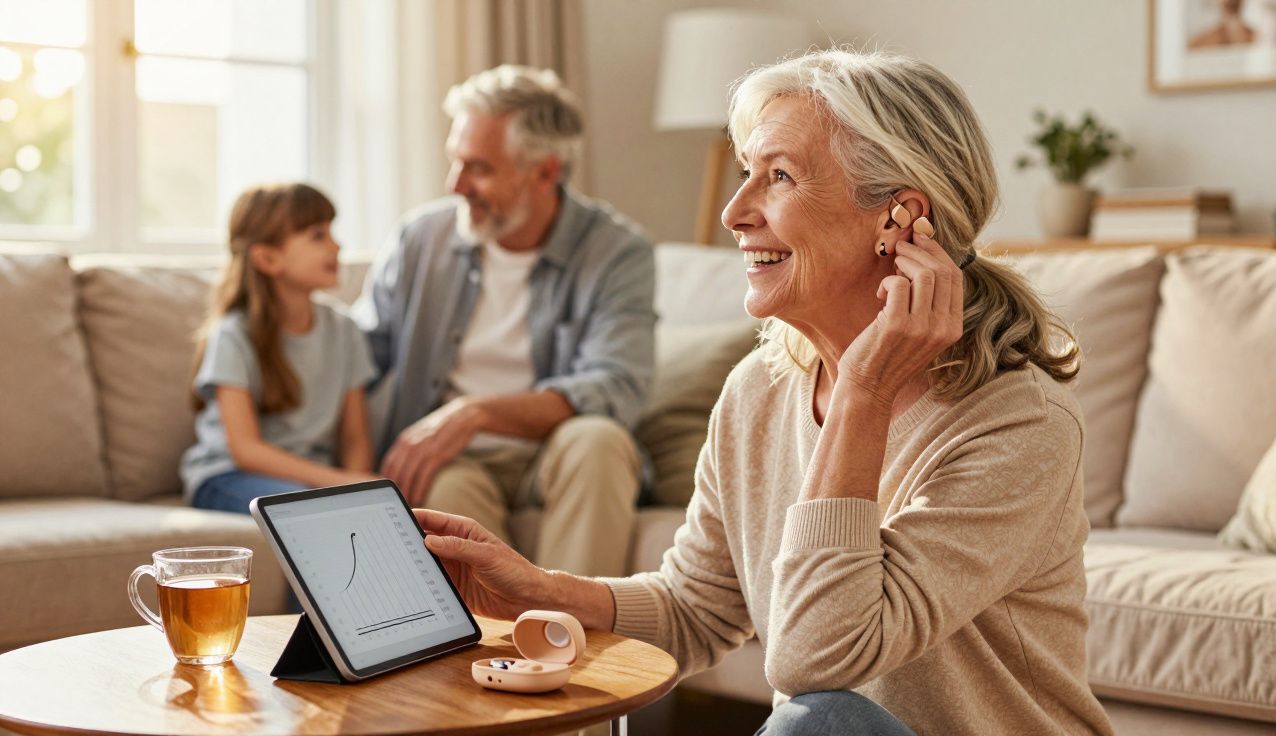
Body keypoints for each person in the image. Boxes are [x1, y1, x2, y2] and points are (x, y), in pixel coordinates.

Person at [413, 49, 1115, 736]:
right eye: (747, 172)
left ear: (898, 218)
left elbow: (818, 661)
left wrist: (862, 394)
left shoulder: (1018, 424)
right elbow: (698, 608)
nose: (735, 212)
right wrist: (539, 589)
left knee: (822, 719)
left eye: (777, 177)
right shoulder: (760, 389)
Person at [355, 66, 656, 578]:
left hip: (555, 456)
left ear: (544, 172)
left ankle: (571, 644)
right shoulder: (419, 241)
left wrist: (474, 412)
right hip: (457, 461)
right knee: (441, 488)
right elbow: (359, 358)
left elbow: (617, 385)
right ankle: (485, 654)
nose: (456, 185)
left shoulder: (616, 251)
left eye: (479, 168)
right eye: (455, 161)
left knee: (598, 441)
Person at [182, 182, 378, 513]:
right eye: (318, 236)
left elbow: (355, 437)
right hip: (228, 476)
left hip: (311, 483)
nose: (336, 245)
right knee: (304, 511)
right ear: (267, 258)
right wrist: (334, 481)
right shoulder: (233, 334)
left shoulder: (345, 330)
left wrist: (358, 487)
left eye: (332, 232)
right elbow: (245, 450)